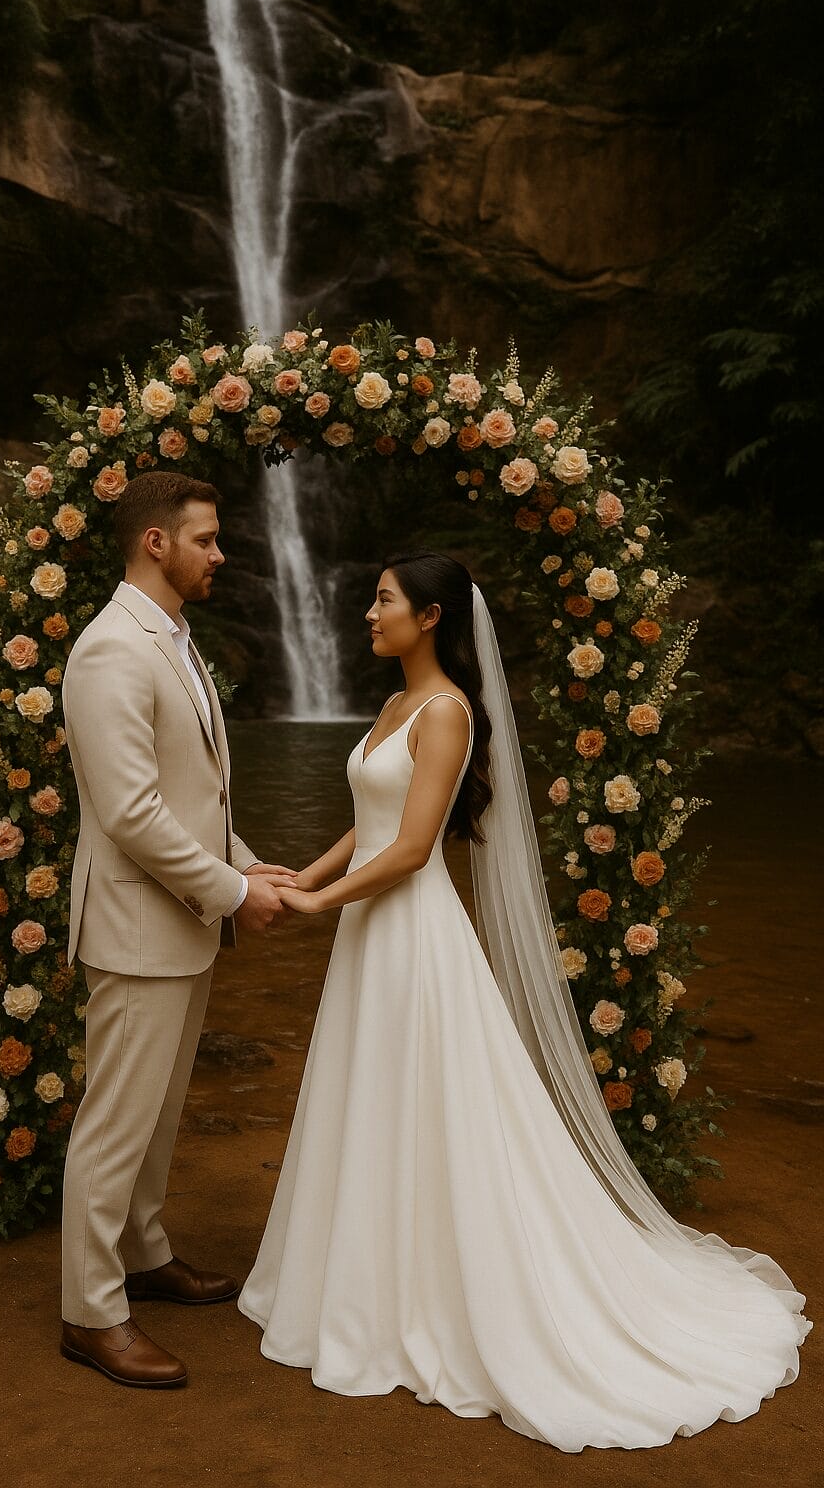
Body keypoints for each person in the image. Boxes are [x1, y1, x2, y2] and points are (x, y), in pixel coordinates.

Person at [238, 550, 810, 1451]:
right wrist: (297, 871)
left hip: (414, 933)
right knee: (373, 1096)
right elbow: (370, 817)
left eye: (383, 601)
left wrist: (312, 905)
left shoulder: (450, 713)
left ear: (430, 617)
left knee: (436, 1104)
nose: (367, 615)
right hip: (368, 935)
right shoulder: (394, 706)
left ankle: (449, 1293)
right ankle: (363, 1279)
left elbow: (415, 848)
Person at [59, 470, 294, 1388]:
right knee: (115, 1124)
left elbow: (192, 794)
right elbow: (130, 812)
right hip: (136, 926)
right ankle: (90, 1312)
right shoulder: (112, 648)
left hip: (181, 917)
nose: (220, 553)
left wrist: (245, 860)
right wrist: (233, 893)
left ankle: (145, 1253)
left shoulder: (174, 639)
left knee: (156, 1117)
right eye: (206, 538)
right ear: (155, 542)